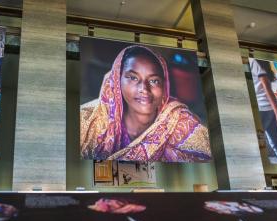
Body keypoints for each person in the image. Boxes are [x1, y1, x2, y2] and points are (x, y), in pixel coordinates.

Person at [80, 45, 211, 162]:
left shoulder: (182, 122)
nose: (144, 89)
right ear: (117, 81)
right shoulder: (88, 121)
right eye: (133, 78)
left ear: (164, 86)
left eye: (154, 81)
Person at [250, 58, 277, 164]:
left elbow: (267, 88)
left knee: (255, 145)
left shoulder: (253, 62)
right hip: (268, 110)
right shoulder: (257, 63)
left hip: (262, 110)